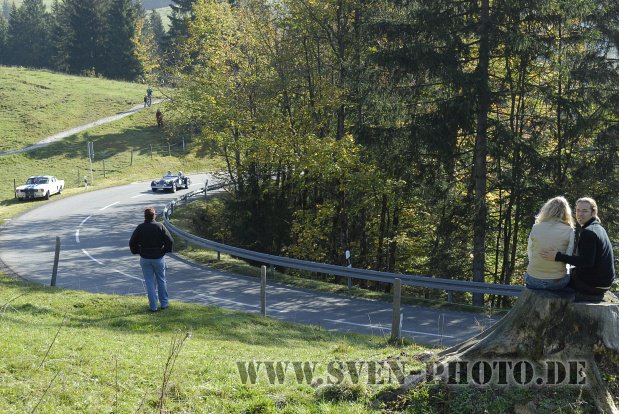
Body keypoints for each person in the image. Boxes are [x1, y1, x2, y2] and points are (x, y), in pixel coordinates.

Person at [541, 197, 616, 301]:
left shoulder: (589, 232)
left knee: (555, 280)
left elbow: (587, 262)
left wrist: (558, 256)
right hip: (604, 283)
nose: (580, 214)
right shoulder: (598, 228)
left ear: (593, 212)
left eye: (585, 211)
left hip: (593, 285)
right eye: (578, 210)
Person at [525, 196, 575, 290]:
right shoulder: (569, 231)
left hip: (533, 279)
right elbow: (567, 257)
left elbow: (530, 252)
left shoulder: (536, 227)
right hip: (557, 282)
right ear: (566, 212)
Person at [129, 207, 174, 311]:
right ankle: (164, 304)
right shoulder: (160, 226)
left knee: (149, 282)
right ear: (154, 215)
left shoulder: (140, 227)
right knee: (161, 280)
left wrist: (137, 251)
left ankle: (153, 306)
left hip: (145, 258)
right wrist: (164, 251)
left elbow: (132, 242)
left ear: (145, 216)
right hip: (158, 257)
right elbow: (170, 241)